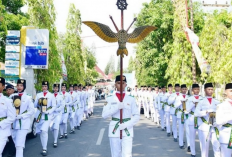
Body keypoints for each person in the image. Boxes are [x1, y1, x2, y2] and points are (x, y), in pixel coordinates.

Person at [102, 75, 140, 157]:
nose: (121, 85)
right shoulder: (109, 98)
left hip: (127, 130)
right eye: (119, 83)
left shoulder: (131, 99)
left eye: (123, 83)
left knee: (127, 155)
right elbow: (104, 115)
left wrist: (127, 124)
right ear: (115, 84)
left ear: (126, 85)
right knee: (116, 154)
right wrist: (116, 108)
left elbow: (137, 115)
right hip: (114, 130)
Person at [194, 83, 220, 157]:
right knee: (204, 149)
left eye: (212, 89)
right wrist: (205, 111)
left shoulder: (217, 102)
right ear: (205, 90)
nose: (210, 91)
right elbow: (196, 113)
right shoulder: (201, 102)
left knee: (217, 147)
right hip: (204, 127)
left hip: (215, 127)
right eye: (208, 89)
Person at [11, 79, 34, 157]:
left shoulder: (28, 97)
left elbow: (31, 111)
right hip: (13, 124)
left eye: (21, 85)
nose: (19, 87)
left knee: (19, 145)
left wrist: (22, 116)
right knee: (16, 142)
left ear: (24, 87)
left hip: (23, 123)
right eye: (18, 85)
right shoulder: (12, 96)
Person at [34, 81, 56, 156]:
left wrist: (48, 111)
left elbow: (54, 106)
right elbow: (35, 105)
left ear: (48, 87)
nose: (44, 88)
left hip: (47, 116)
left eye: (46, 86)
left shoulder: (51, 95)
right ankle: (43, 146)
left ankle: (44, 148)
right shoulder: (38, 95)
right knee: (41, 131)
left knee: (44, 131)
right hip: (40, 115)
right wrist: (37, 101)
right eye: (43, 86)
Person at [0, 77, 16, 157]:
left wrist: (1, 123)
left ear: (3, 87)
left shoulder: (7, 101)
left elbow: (12, 117)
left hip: (2, 130)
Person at [186, 83, 203, 157]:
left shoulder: (202, 98)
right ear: (192, 90)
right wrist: (193, 103)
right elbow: (187, 110)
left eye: (198, 89)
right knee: (192, 137)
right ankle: (193, 152)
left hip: (200, 119)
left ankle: (203, 153)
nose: (197, 90)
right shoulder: (189, 99)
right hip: (192, 118)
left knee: (202, 137)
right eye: (195, 89)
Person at [216, 83, 232, 157]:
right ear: (226, 91)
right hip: (226, 135)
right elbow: (218, 121)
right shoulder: (221, 106)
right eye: (231, 91)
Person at [174, 84, 190, 149]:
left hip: (187, 114)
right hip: (180, 114)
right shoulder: (178, 97)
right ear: (181, 90)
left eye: (185, 89)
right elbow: (175, 106)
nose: (184, 90)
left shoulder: (189, 97)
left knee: (188, 130)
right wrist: (181, 102)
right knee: (181, 130)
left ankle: (189, 145)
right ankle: (181, 143)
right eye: (183, 89)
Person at [50, 83, 64, 148]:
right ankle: (55, 137)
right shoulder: (50, 96)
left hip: (58, 113)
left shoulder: (61, 96)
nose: (55, 89)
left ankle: (55, 141)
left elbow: (62, 105)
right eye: (54, 88)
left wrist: (57, 109)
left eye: (57, 88)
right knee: (51, 128)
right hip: (52, 114)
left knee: (56, 127)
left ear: (58, 89)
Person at [5, 84, 16, 157]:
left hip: (14, 120)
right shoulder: (7, 98)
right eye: (7, 90)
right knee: (10, 136)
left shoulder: (15, 97)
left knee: (11, 136)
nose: (8, 91)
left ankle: (13, 151)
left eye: (9, 89)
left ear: (13, 90)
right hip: (8, 120)